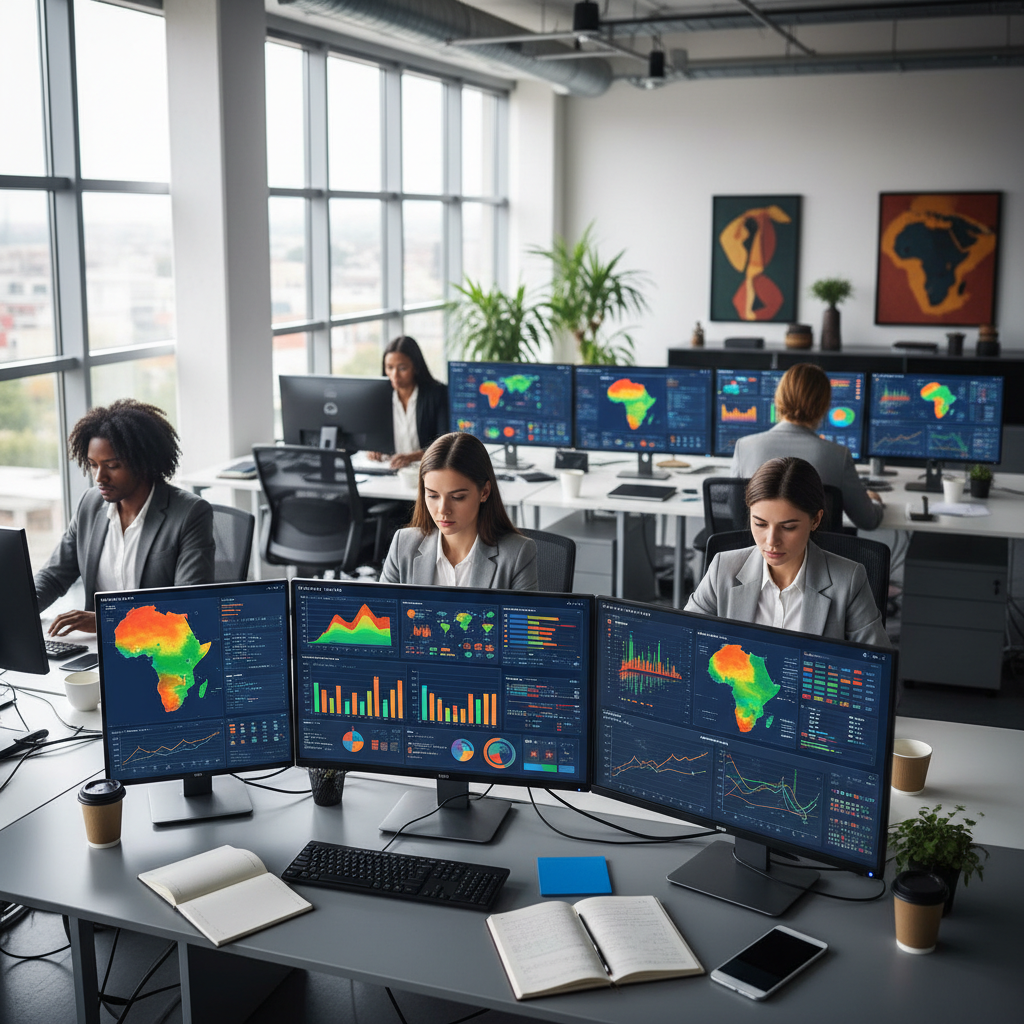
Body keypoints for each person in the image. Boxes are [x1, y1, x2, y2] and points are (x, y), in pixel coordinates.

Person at [35, 399, 215, 636]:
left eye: (112, 465)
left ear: (143, 463)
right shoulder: (89, 505)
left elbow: (188, 606)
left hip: (161, 652)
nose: (100, 477)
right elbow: (53, 577)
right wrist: (18, 609)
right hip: (100, 648)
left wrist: (106, 620)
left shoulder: (190, 514)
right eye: (93, 465)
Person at [686, 457, 889, 647]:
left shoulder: (848, 580)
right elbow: (685, 640)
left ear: (815, 520)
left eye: (788, 527)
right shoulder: (723, 568)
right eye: (760, 524)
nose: (771, 540)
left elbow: (878, 670)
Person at [731, 362, 884, 531]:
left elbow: (735, 512)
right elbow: (868, 521)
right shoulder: (838, 456)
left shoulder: (743, 447)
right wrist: (875, 500)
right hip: (816, 556)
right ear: (824, 405)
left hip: (761, 552)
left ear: (779, 398)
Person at [380, 432, 537, 590]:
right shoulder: (403, 544)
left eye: (457, 497)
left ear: (484, 492)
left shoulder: (517, 554)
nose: (443, 510)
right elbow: (380, 611)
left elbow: (523, 615)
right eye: (433, 495)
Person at [367, 336, 449, 470]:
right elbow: (371, 436)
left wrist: (411, 457)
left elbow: (445, 443)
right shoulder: (379, 396)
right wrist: (373, 449)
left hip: (427, 469)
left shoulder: (437, 394)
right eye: (389, 367)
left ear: (415, 367)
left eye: (402, 368)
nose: (394, 375)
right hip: (389, 469)